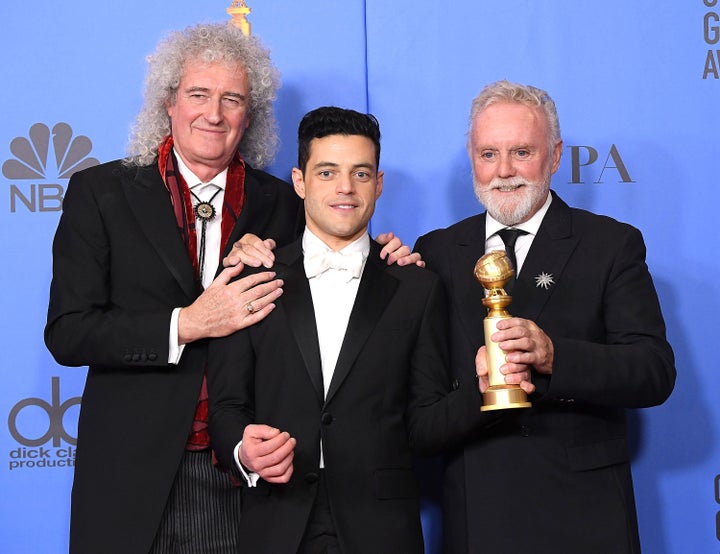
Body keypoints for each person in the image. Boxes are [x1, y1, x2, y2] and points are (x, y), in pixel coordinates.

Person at [44, 23, 416, 554]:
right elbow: (68, 332)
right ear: (169, 102)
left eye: (232, 99)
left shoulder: (286, 202)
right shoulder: (100, 193)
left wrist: (388, 260)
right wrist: (188, 323)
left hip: (255, 474)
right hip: (130, 469)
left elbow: (339, 267)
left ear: (251, 113)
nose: (213, 114)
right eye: (198, 94)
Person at [414, 80, 676, 554]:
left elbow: (653, 372)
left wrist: (556, 357)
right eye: (488, 154)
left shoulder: (610, 245)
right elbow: (420, 401)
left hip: (583, 518)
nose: (504, 171)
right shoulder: (435, 252)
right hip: (478, 515)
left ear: (555, 157)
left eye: (521, 152)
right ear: (471, 157)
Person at [207, 106, 484, 554]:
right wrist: (243, 451)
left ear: (378, 183)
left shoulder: (416, 288)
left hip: (382, 529)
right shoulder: (250, 279)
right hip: (277, 520)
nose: (344, 188)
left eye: (360, 173)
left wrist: (484, 392)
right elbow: (226, 406)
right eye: (327, 172)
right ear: (299, 181)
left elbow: (424, 422)